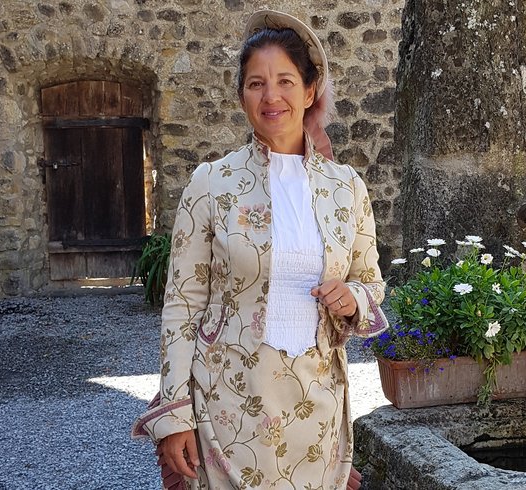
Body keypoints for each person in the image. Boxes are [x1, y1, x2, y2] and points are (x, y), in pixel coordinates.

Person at [132, 10, 388, 490]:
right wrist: (175, 413)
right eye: (256, 83)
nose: (272, 96)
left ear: (310, 91)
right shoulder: (211, 184)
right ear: (242, 96)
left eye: (285, 81)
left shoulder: (346, 189)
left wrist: (354, 297)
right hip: (227, 404)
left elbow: (370, 280)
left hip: (317, 405)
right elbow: (182, 305)